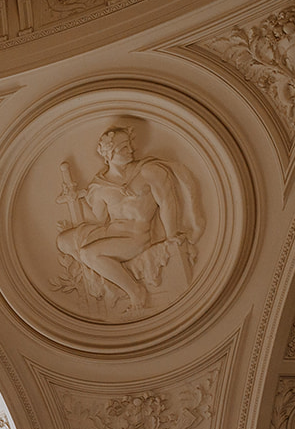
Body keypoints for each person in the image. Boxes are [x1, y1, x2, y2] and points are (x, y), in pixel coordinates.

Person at [55, 126, 202, 311]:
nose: (131, 150)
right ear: (109, 153)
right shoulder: (99, 186)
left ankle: (135, 291)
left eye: (129, 145)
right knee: (64, 240)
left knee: (88, 253)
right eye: (124, 147)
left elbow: (167, 202)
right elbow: (100, 218)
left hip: (136, 237)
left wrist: (171, 235)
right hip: (110, 232)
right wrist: (77, 198)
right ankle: (108, 278)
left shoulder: (148, 171)